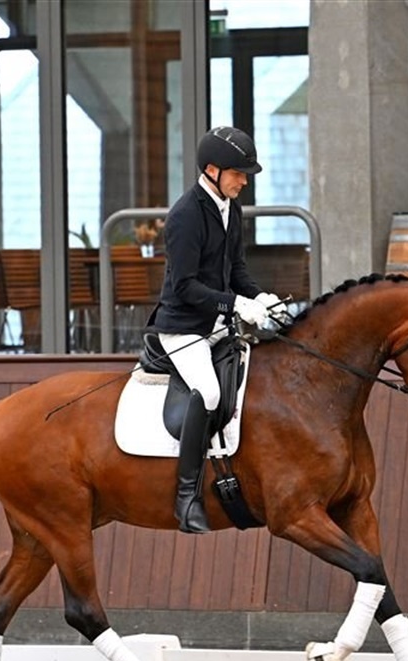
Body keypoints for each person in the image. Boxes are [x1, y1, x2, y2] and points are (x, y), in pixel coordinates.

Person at [151, 126, 286, 534]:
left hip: (217, 326)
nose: (244, 182)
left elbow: (237, 270)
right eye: (238, 174)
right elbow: (185, 287)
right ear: (212, 170)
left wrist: (261, 297)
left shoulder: (231, 208)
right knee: (209, 392)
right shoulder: (185, 216)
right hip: (183, 330)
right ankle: (186, 497)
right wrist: (236, 304)